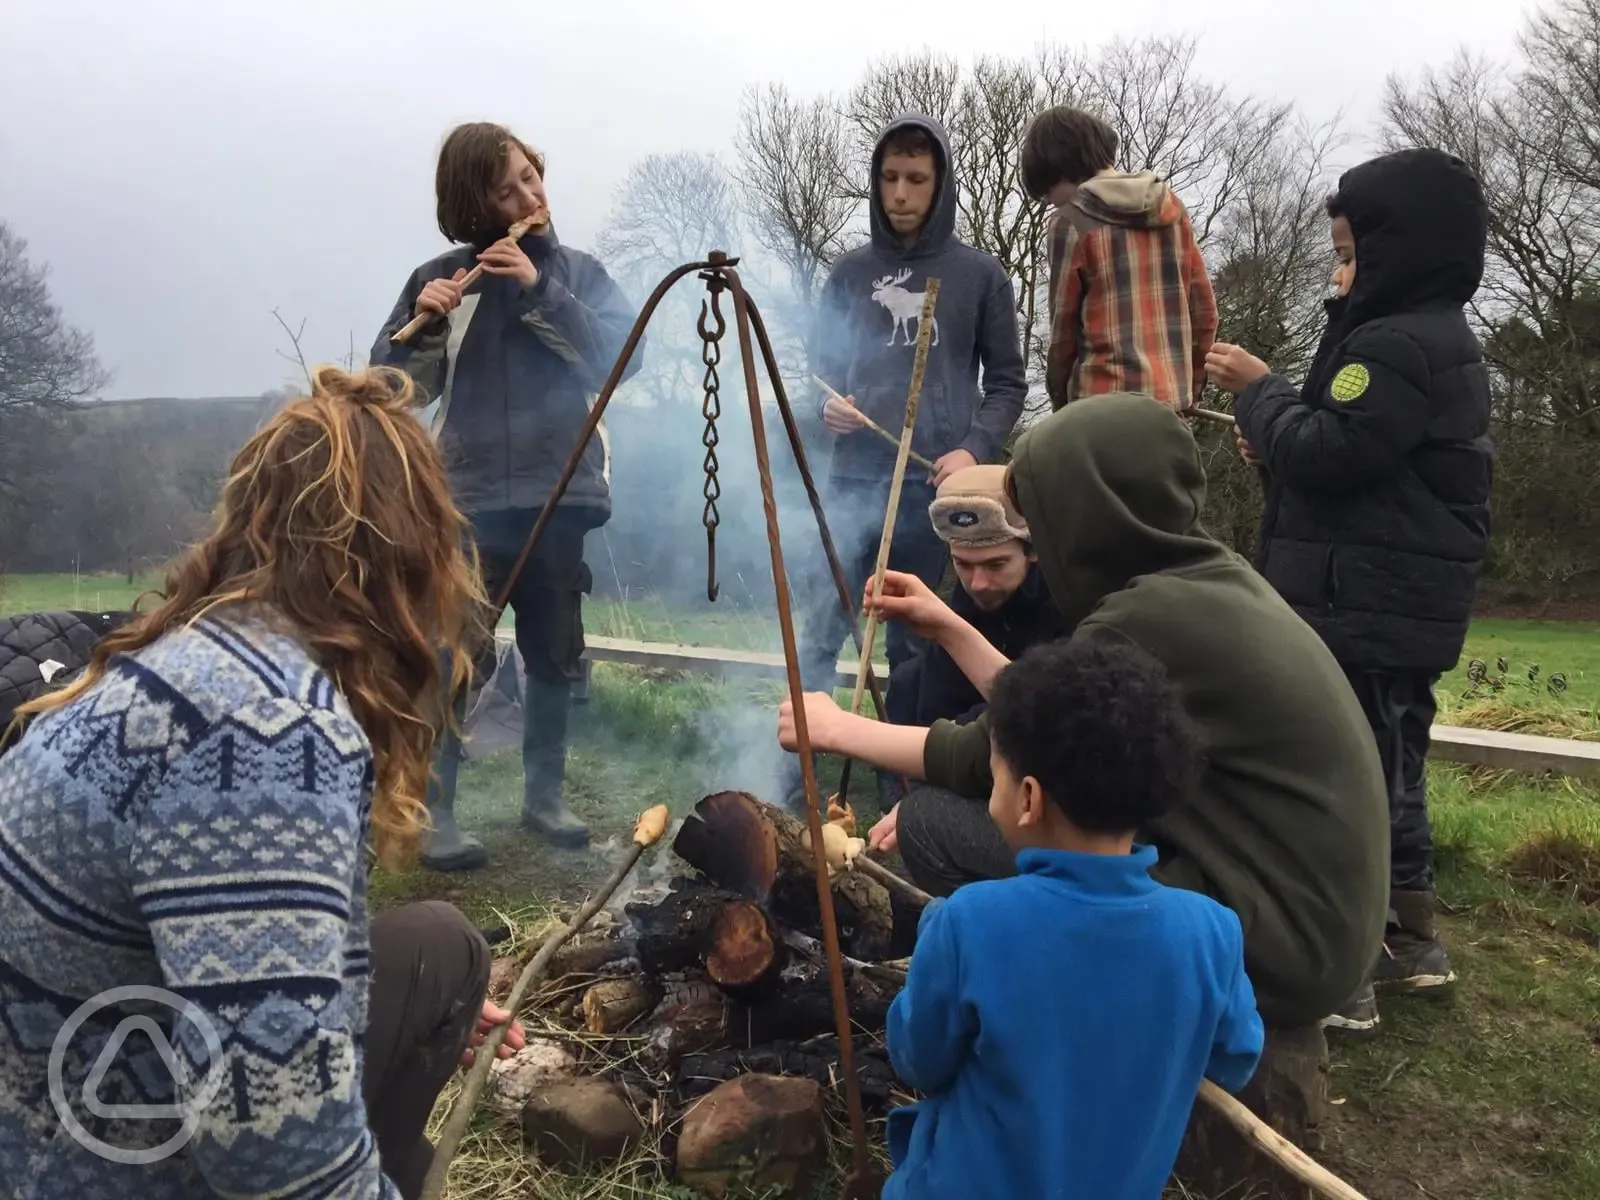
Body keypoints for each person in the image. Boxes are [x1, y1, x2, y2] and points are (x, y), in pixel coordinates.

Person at [0, 366, 526, 1199]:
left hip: (73, 1077)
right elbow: (273, 1150)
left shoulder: (197, 652)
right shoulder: (262, 737)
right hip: (78, 1163)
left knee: (438, 945)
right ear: (410, 559)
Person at [777, 394, 1390, 1037]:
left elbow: (994, 751)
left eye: (1042, 520)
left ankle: (1033, 998)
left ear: (1087, 513)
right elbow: (1057, 706)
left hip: (1280, 946)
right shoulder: (1204, 585)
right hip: (1309, 920)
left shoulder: (1149, 617)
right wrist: (952, 626)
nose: (1040, 543)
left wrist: (837, 729)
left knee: (932, 821)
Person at [1206, 147, 1494, 1033]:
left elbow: (1331, 454)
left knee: (1345, 785)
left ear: (1402, 250)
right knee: (1394, 772)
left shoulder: (1392, 345)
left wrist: (1262, 396)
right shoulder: (1438, 339)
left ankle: (1347, 970)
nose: (1338, 273)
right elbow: (1358, 468)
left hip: (1357, 610)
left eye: (1349, 253)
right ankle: (1413, 940)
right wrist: (1282, 444)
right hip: (1396, 607)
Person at [883, 636, 1264, 1199]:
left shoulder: (969, 922)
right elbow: (1234, 1058)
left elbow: (919, 1058)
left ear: (1028, 797)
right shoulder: (1210, 931)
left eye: (995, 778)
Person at [370, 120, 642, 869]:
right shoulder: (445, 281)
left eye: (532, 176)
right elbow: (393, 391)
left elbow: (622, 360)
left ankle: (542, 798)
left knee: (554, 651)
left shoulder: (577, 274)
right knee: (452, 650)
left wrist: (538, 289)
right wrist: (420, 325)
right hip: (466, 495)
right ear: (474, 205)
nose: (530, 194)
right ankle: (439, 813)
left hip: (561, 493)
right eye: (507, 187)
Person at [787, 112, 1026, 806]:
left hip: (930, 490)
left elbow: (1008, 382)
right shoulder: (850, 274)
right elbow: (821, 374)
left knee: (915, 645)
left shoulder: (980, 275)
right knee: (821, 628)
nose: (900, 192)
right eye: (890, 177)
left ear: (939, 182)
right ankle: (795, 772)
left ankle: (906, 788)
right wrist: (829, 410)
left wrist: (972, 449)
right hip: (849, 481)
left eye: (916, 179)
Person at [1020, 106, 1216, 413]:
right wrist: (1189, 387)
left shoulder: (1070, 222)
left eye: (1047, 191)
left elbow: (1063, 335)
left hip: (1100, 408)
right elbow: (1204, 312)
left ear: (1057, 167)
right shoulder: (1172, 209)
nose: (1050, 202)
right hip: (1169, 407)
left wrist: (1061, 404)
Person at [883, 464, 1064, 731]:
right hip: (970, 742)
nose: (978, 585)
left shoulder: (1068, 600)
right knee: (906, 683)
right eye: (963, 565)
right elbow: (937, 709)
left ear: (1034, 550)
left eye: (996, 565)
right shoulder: (962, 597)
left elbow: (1051, 717)